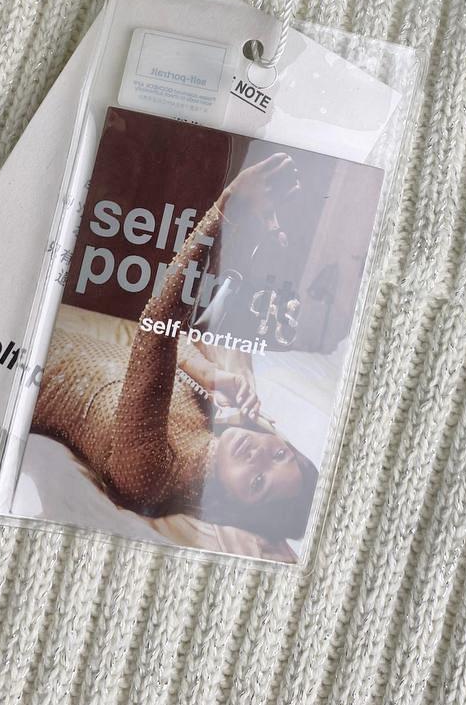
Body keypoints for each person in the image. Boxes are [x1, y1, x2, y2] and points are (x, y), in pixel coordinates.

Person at [32, 154, 319, 541]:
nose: (259, 456)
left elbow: (157, 328)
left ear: (235, 506)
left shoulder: (150, 477)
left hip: (20, 356)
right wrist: (213, 375)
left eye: (258, 482)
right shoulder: (204, 420)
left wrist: (226, 210)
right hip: (45, 329)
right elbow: (174, 346)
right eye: (280, 454)